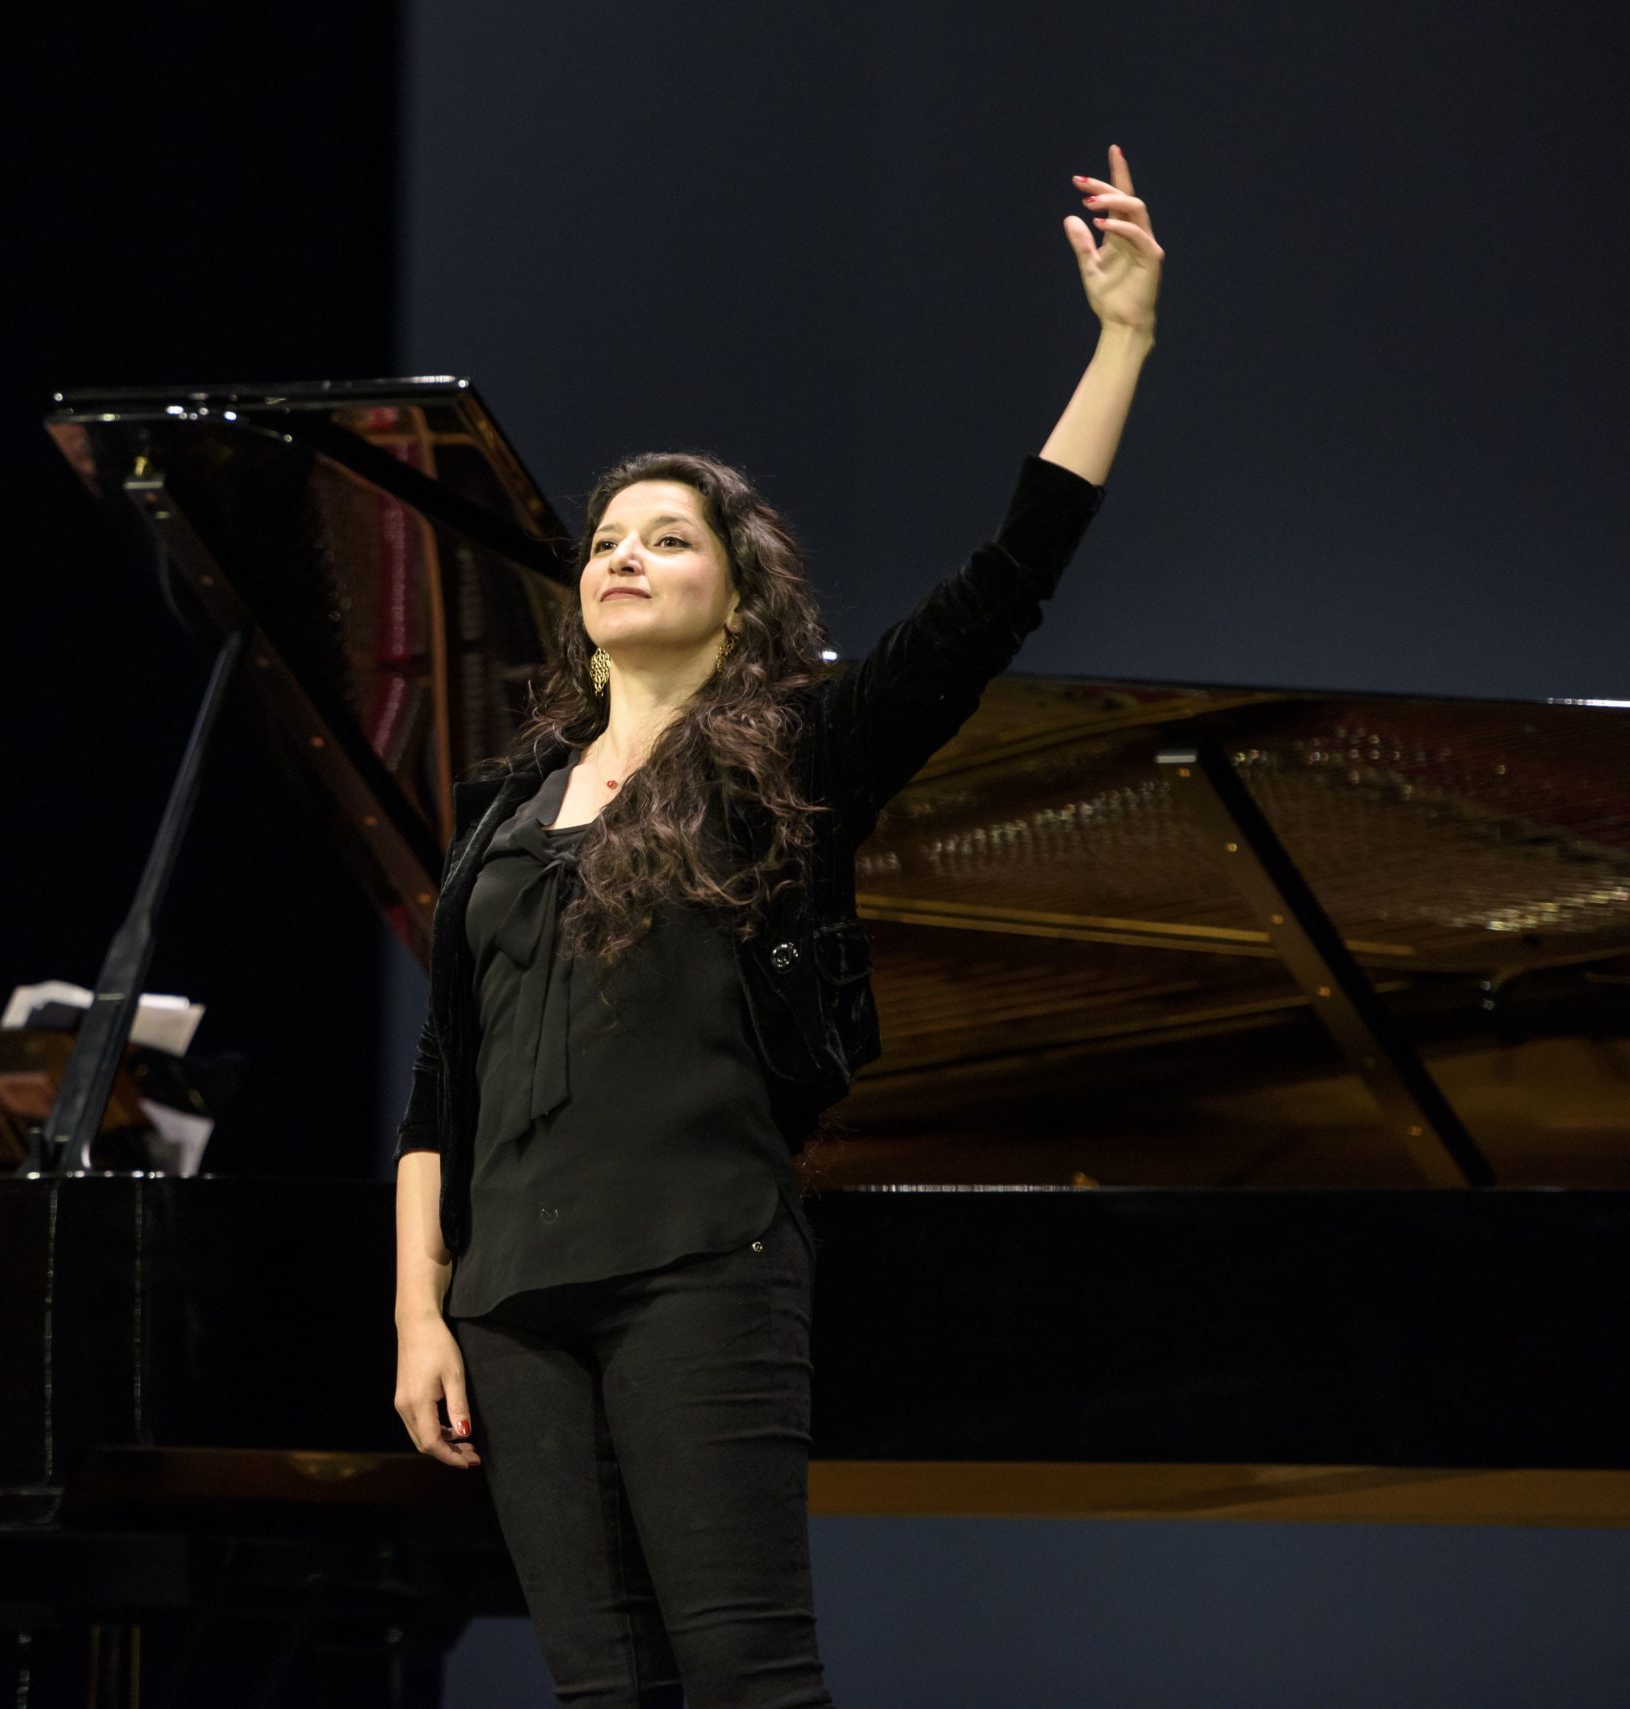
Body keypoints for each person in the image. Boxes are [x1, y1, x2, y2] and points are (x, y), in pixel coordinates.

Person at [390, 146, 1164, 1707]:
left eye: (669, 538)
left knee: (750, 1680)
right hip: (507, 1305)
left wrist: (1122, 340)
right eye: (608, 539)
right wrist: (420, 1310)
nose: (625, 554)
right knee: (602, 1691)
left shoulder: (794, 760)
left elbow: (1002, 588)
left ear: (739, 600)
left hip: (699, 1265)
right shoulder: (502, 808)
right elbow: (440, 1086)